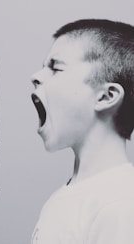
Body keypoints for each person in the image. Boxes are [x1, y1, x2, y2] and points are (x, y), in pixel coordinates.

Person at [30, 19, 134, 244]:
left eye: (55, 68)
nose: (36, 76)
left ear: (106, 97)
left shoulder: (121, 203)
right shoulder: (61, 199)